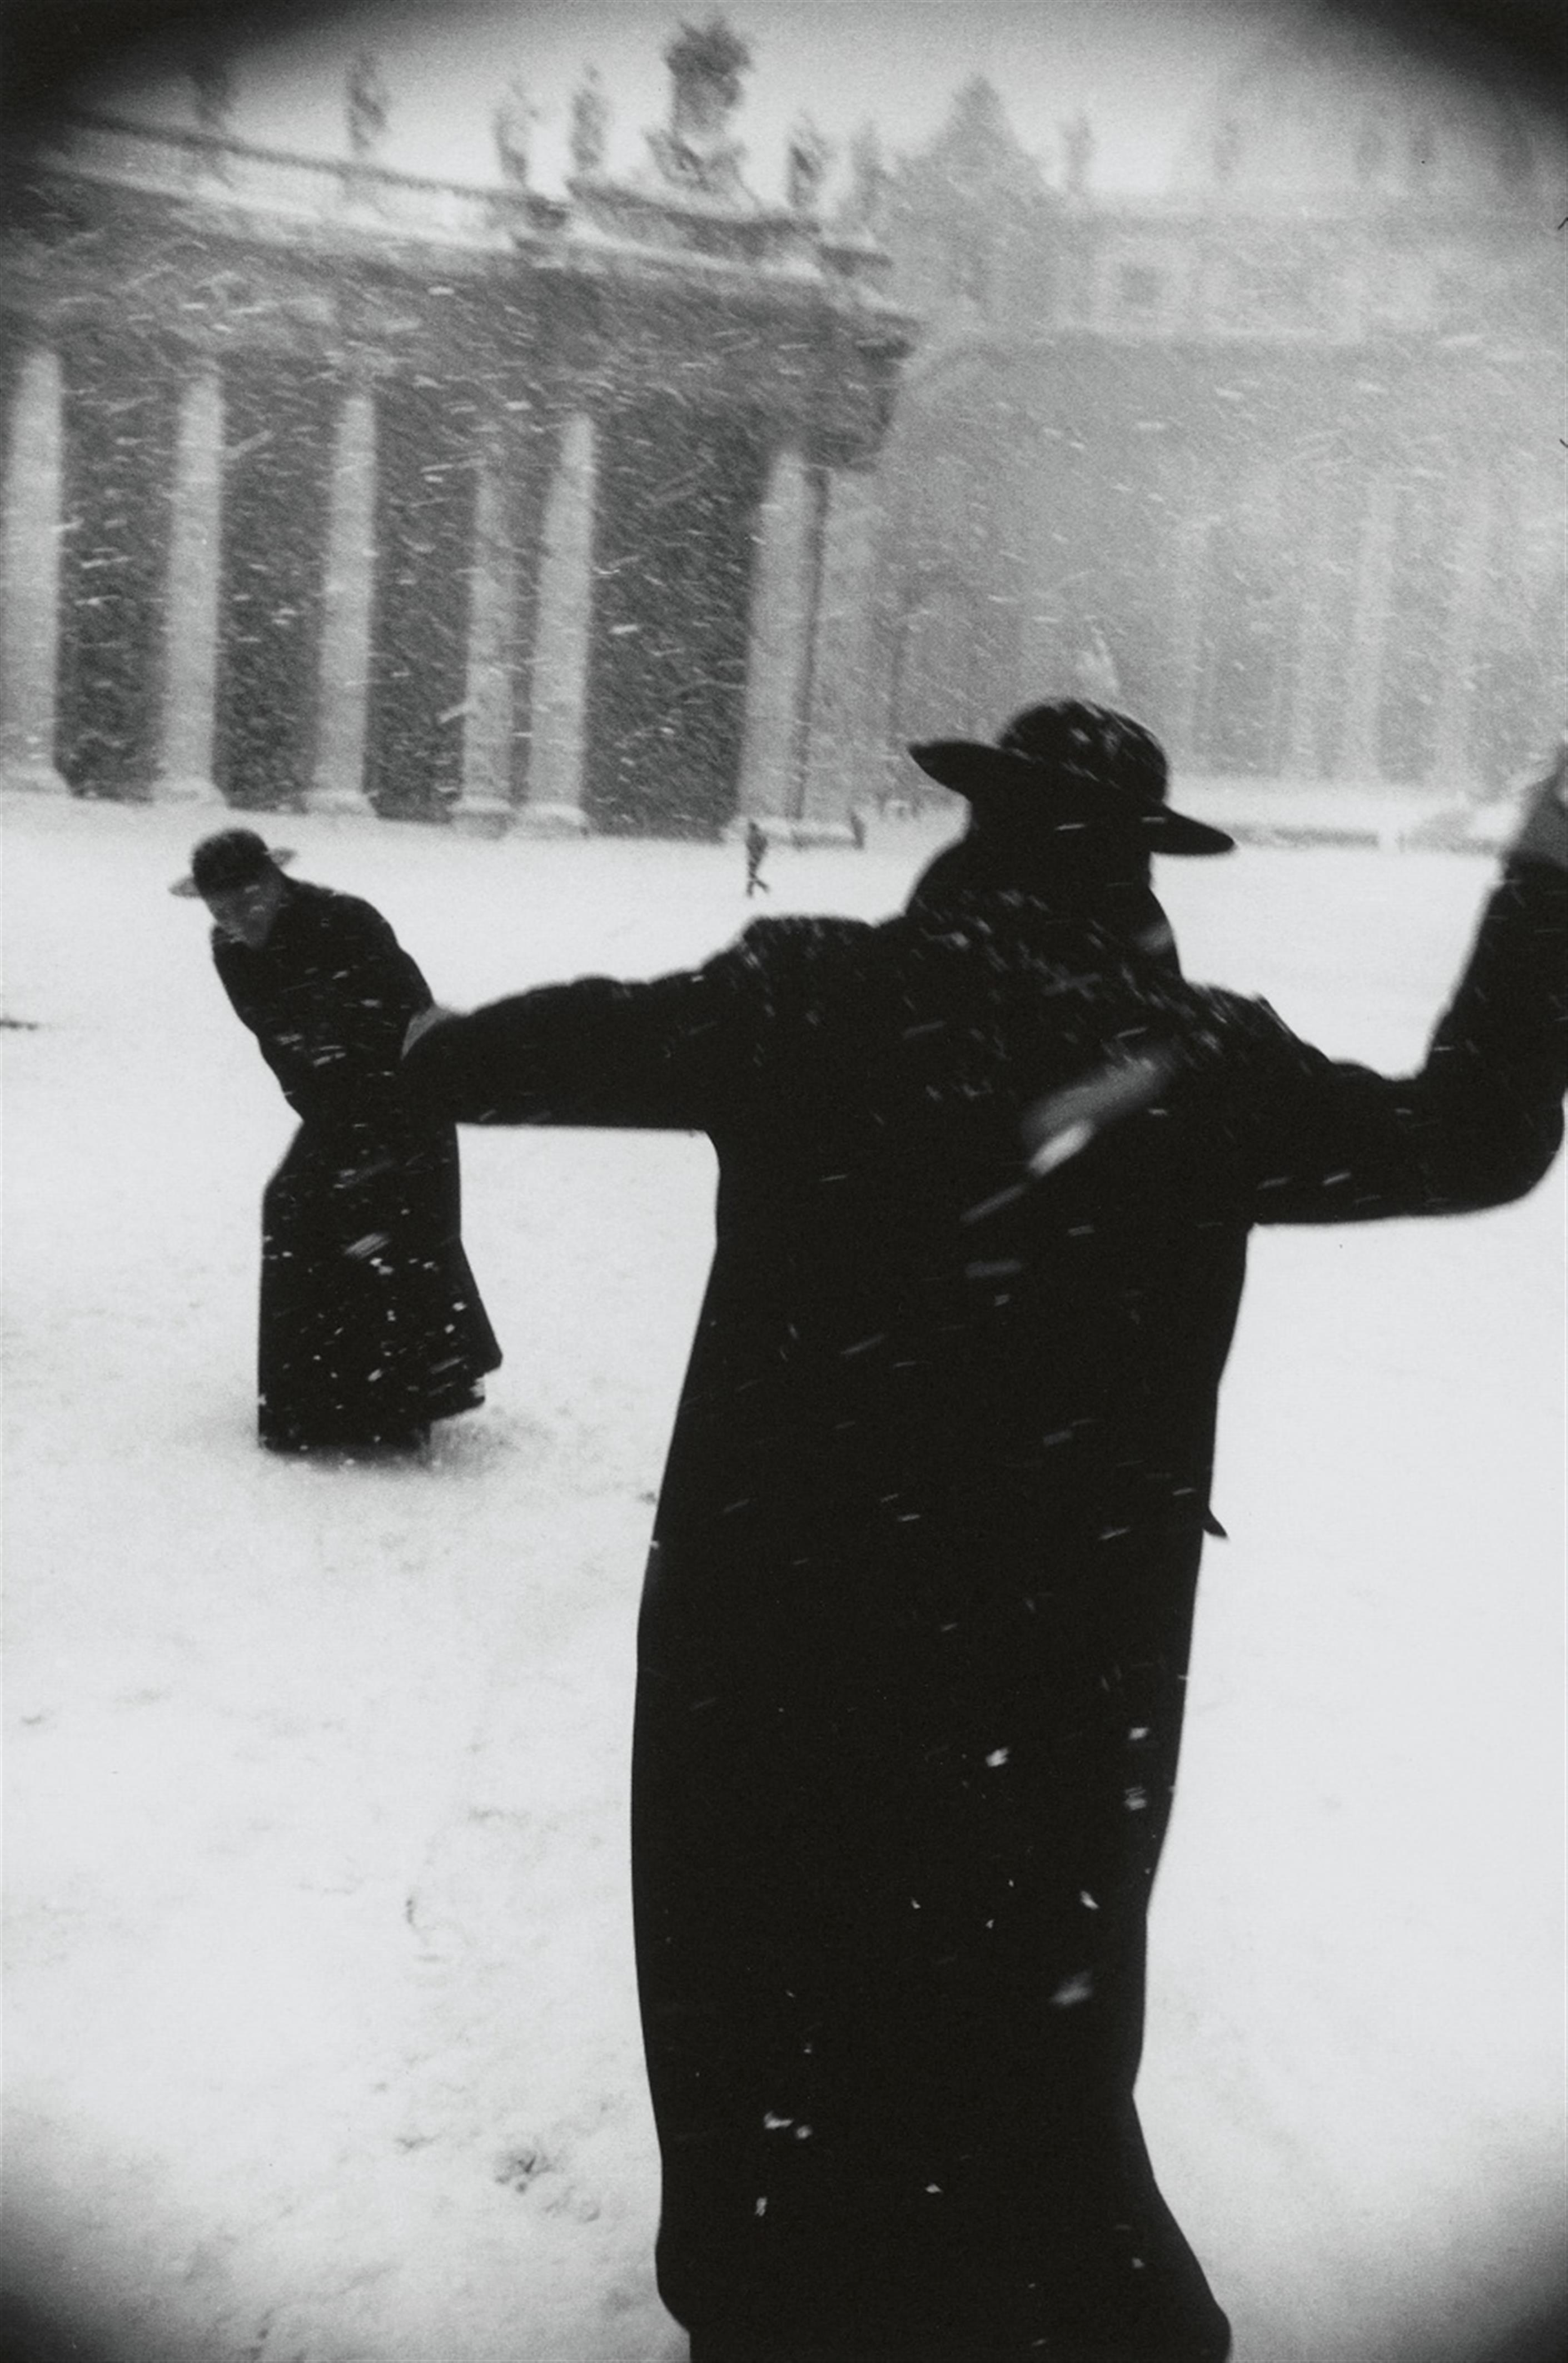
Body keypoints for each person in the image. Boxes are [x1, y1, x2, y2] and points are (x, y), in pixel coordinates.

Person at [401, 705, 1567, 2363]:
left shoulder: (807, 992)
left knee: (759, 1970)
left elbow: (487, 1063)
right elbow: (1478, 1136)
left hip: (776, 1604)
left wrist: (431, 1036)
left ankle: (776, 2295)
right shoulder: (1206, 1061)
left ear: (972, 832)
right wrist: (1540, 886)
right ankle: (1058, 2302)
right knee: (1026, 2005)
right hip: (1063, 1641)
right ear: (1138, 872)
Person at [173, 827, 500, 1455]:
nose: (236, 923)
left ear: (276, 883)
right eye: (221, 911)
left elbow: (410, 1014)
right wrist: (327, 1109)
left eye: (247, 904)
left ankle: (398, 1405)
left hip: (405, 1095)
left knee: (389, 1225)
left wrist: (378, 1128)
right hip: (333, 1105)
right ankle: (309, 1409)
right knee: (296, 1208)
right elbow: (276, 1039)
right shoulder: (229, 949)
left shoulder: (346, 920)